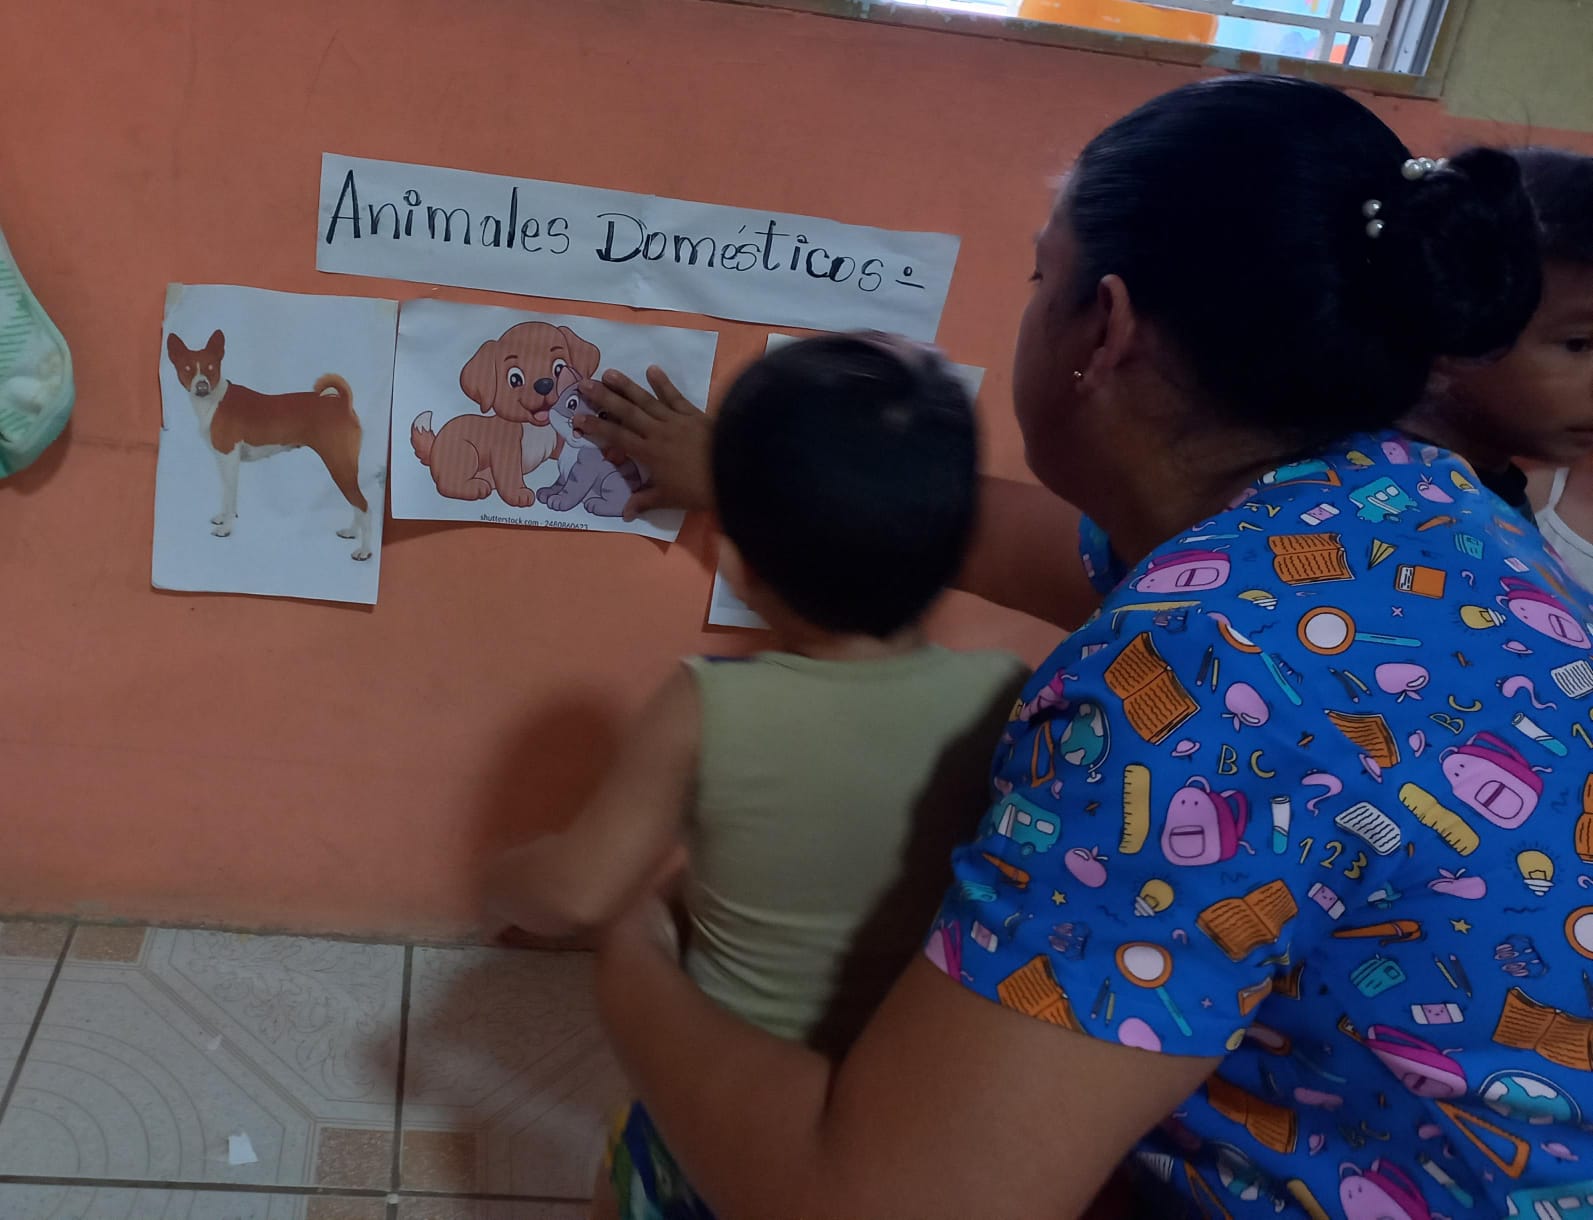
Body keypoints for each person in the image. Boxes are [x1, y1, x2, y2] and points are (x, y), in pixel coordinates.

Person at [568, 74, 1593, 1219]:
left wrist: (626, 952)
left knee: (691, 1157)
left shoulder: (1200, 674)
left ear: (1102, 327)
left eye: (1037, 276)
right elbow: (1013, 540)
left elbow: (878, 1201)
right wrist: (761, 477)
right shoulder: (1411, 510)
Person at [484, 334, 1028, 1220]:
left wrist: (502, 878)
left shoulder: (708, 704)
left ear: (733, 560)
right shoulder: (1006, 694)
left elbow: (577, 894)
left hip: (727, 1110)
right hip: (904, 1106)